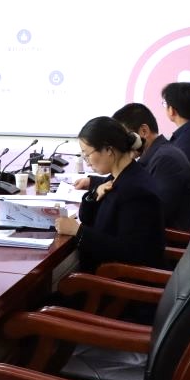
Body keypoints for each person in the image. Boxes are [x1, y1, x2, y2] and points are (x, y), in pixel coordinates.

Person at [54, 116, 165, 272]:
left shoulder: (136, 190)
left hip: (118, 281)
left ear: (108, 150)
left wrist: (77, 231)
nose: (87, 161)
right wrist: (93, 195)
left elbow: (130, 251)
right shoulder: (118, 176)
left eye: (87, 154)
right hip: (105, 272)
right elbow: (86, 218)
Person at [74, 103, 190, 231]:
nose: (121, 143)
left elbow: (154, 213)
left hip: (173, 236)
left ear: (144, 131)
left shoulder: (166, 159)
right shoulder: (153, 155)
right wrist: (93, 184)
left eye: (125, 136)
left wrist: (79, 232)